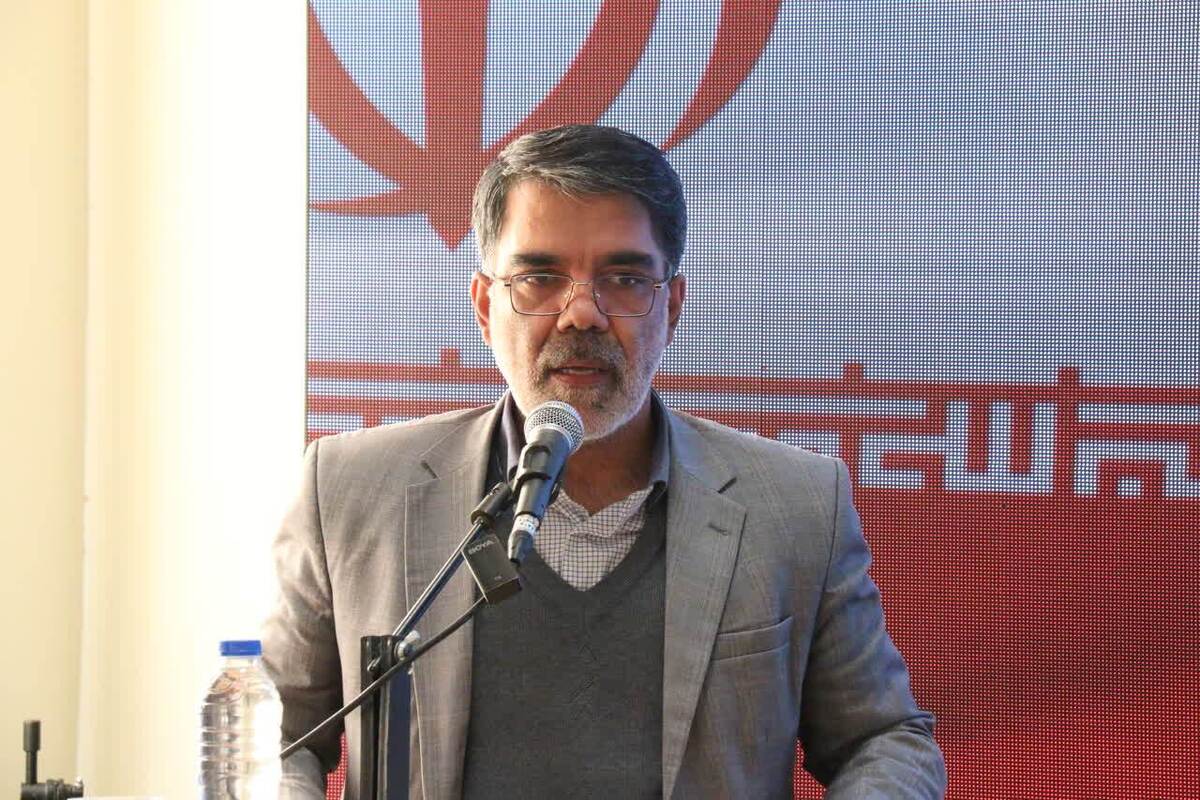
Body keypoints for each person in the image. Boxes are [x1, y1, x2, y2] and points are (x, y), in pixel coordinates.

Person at [264, 124, 946, 799]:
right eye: (540, 277)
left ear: (671, 308)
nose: (582, 315)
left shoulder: (795, 502)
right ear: (484, 307)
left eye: (624, 279)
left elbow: (885, 739)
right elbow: (272, 738)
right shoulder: (352, 489)